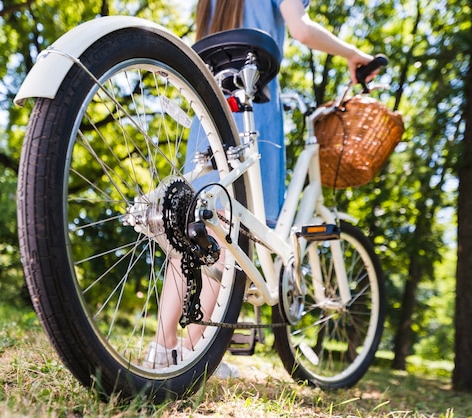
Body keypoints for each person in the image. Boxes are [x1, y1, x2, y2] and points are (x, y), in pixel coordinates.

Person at [144, 0, 377, 377]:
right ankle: (192, 354)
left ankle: (163, 347)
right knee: (226, 232)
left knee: (192, 232)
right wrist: (354, 55)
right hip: (251, 98)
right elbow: (299, 29)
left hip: (206, 98)